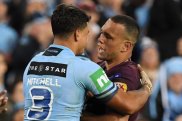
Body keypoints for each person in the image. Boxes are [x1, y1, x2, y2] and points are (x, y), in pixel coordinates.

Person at [23, 4, 152, 121]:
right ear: (77, 34)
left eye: (107, 36)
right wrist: (146, 89)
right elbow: (124, 108)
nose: (98, 39)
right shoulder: (85, 68)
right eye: (87, 34)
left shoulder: (33, 63)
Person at [81, 15, 146, 121]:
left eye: (108, 37)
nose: (100, 39)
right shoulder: (100, 66)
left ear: (126, 46)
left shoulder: (127, 74)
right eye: (102, 33)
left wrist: (75, 116)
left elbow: (117, 119)